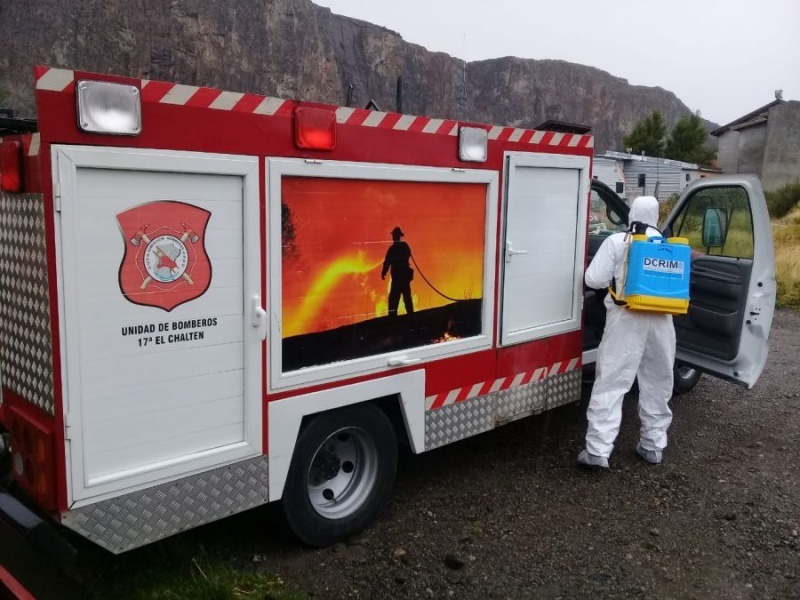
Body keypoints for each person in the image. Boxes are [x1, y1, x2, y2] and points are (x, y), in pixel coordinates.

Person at [578, 196, 676, 469]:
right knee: (658, 381)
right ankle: (653, 446)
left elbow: (593, 279)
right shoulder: (667, 245)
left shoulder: (618, 241)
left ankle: (598, 451)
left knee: (612, 381)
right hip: (661, 321)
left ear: (631, 213)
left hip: (626, 318)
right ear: (656, 215)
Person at [381, 226, 414, 316]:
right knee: (406, 298)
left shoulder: (392, 249)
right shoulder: (404, 246)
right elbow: (408, 255)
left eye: (394, 235)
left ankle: (393, 319)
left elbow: (387, 261)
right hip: (404, 278)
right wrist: (384, 271)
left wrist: (384, 272)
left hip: (397, 279)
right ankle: (411, 316)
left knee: (394, 300)